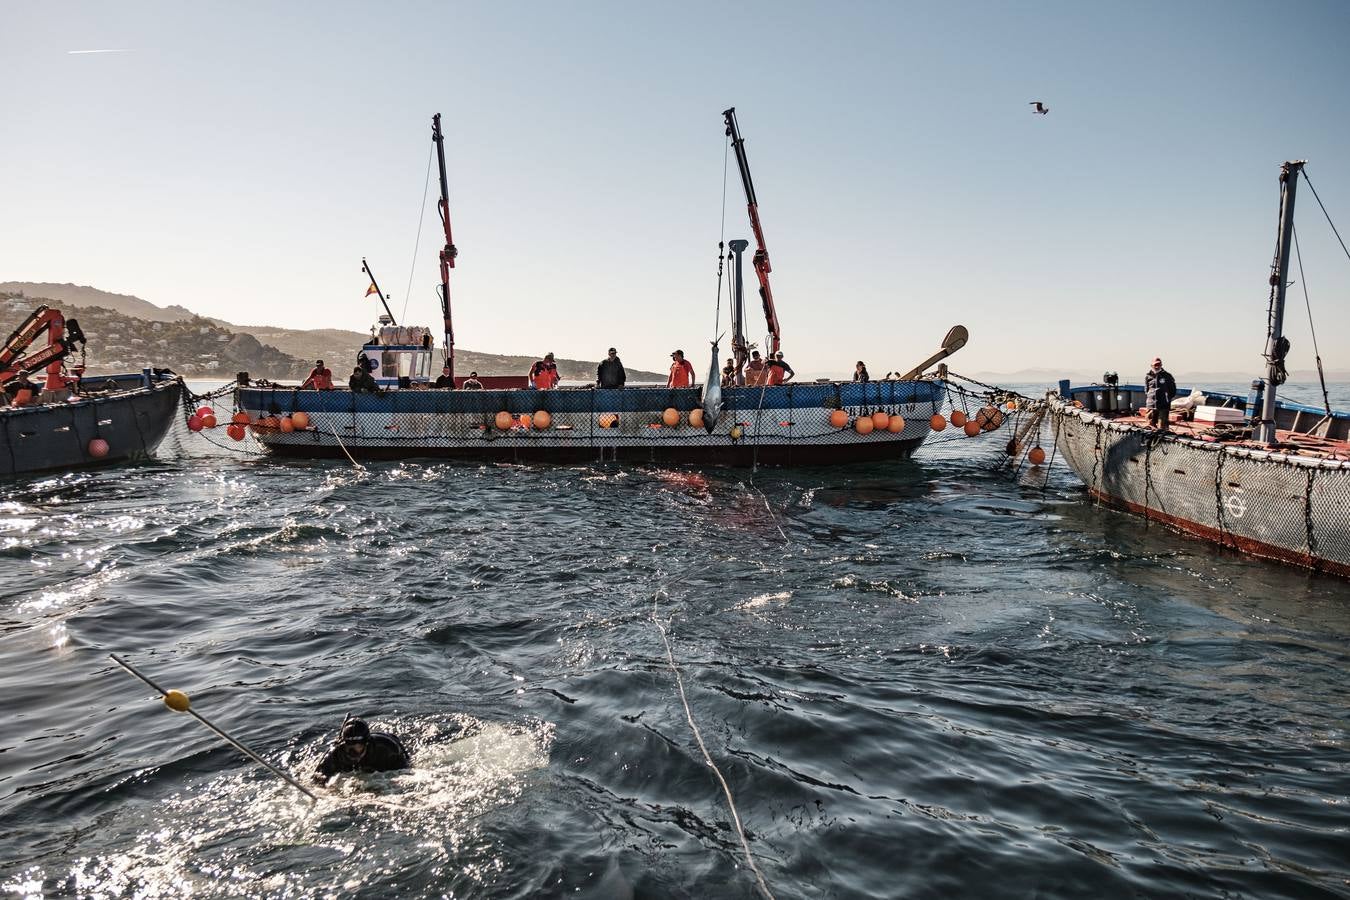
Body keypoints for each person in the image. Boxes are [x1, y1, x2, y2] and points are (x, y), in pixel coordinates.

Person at [313, 717, 410, 785]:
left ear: (366, 744)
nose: (352, 752)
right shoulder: (336, 753)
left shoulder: (387, 748)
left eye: (357, 747)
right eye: (349, 746)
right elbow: (318, 778)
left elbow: (404, 772)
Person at [1144, 356, 1177, 431]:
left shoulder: (1167, 376)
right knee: (1150, 426)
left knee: (1162, 426)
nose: (1157, 366)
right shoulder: (1148, 376)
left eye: (1159, 364)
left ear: (1161, 365)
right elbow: (1146, 389)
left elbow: (1173, 390)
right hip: (1151, 405)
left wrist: (1167, 398)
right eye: (1155, 365)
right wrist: (1150, 397)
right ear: (1151, 365)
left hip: (1163, 405)